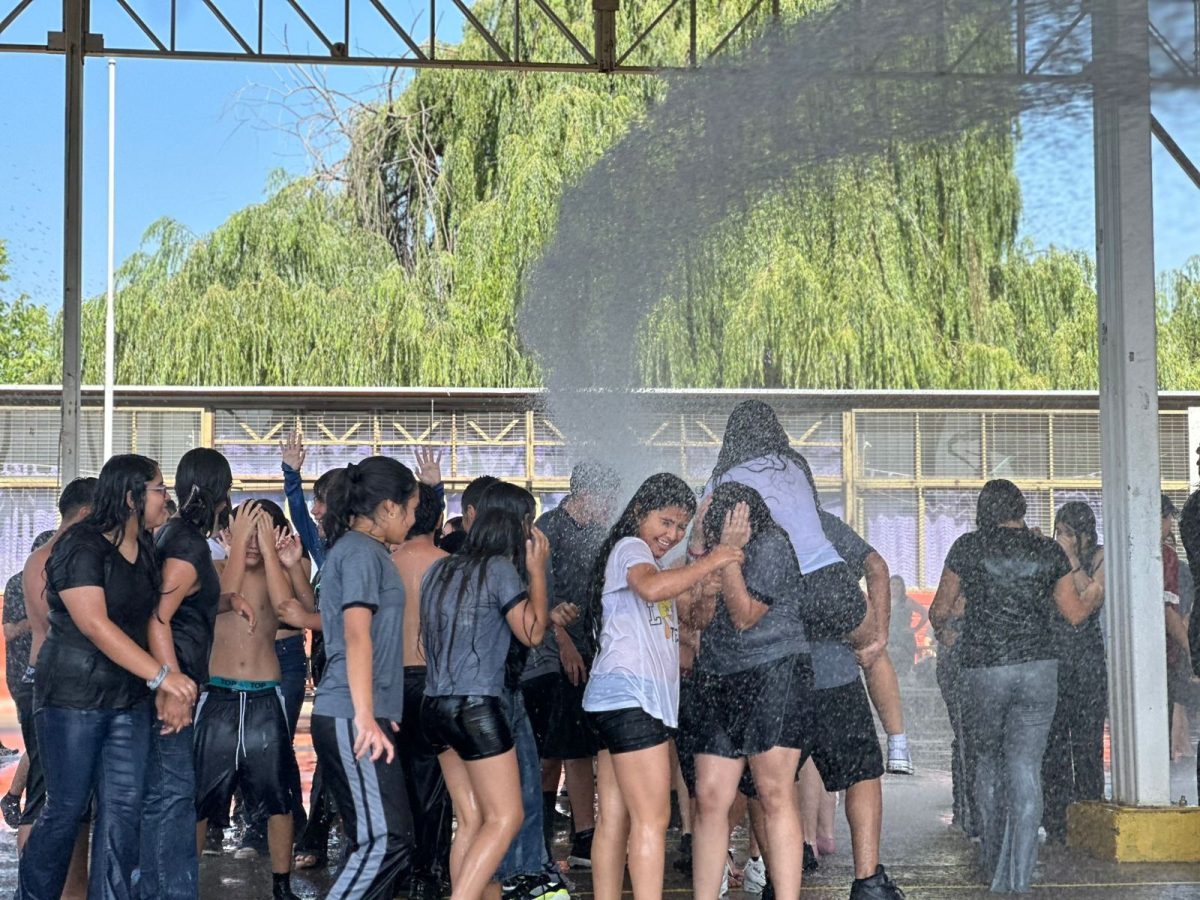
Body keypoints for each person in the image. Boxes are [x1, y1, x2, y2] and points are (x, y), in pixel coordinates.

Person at [18, 454, 198, 900]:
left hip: (127, 700)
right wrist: (162, 677)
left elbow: (154, 617)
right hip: (71, 698)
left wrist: (165, 684)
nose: (166, 498)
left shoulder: (147, 549)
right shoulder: (82, 545)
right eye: (159, 489)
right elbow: (95, 625)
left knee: (122, 811)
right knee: (66, 808)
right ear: (131, 497)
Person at [582, 473, 742, 900]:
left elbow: (693, 619)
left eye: (680, 526)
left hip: (614, 700)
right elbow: (651, 589)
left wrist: (704, 583)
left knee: (614, 820)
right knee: (652, 820)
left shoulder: (648, 561)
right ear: (640, 511)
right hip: (633, 701)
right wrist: (711, 561)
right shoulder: (632, 548)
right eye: (665, 522)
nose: (671, 534)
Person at [931, 479, 1089, 894]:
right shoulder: (1047, 550)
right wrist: (1098, 593)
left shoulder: (968, 547)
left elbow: (940, 610)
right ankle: (1018, 876)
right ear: (1021, 509)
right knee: (1025, 767)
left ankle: (991, 859)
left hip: (984, 669)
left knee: (987, 761)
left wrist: (954, 623)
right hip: (1038, 669)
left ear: (984, 511)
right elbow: (1074, 613)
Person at [681, 483, 815, 900]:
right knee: (709, 796)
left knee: (774, 792)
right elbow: (696, 618)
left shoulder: (772, 545)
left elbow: (743, 616)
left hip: (775, 673)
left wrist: (730, 555)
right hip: (718, 676)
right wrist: (703, 553)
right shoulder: (712, 548)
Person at [421, 500, 551, 900]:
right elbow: (532, 632)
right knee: (506, 817)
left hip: (434, 704)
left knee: (472, 819)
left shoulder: (439, 569)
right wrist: (537, 572)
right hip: (475, 707)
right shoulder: (498, 568)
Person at [140, 447, 248, 900]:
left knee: (166, 795)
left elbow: (184, 604)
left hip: (175, 680)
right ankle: (167, 892)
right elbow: (159, 617)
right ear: (219, 491)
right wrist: (170, 687)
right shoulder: (186, 543)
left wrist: (227, 602)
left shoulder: (177, 535)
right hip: (173, 687)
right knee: (173, 797)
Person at [311, 455, 420, 900]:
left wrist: (378, 708)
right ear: (389, 507)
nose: (412, 520)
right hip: (349, 713)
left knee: (386, 839)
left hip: (362, 711)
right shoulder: (358, 552)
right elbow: (356, 636)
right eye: (411, 509)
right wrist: (364, 715)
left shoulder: (368, 551)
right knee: (385, 841)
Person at [192, 500, 311, 900]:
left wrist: (279, 558)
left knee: (279, 798)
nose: (254, 543)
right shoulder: (215, 569)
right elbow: (220, 599)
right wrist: (237, 550)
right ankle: (185, 883)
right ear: (229, 534)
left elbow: (292, 610)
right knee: (200, 798)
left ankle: (282, 884)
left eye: (263, 533)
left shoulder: (288, 569)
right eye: (247, 532)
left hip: (264, 696)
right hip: (219, 697)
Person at [532, 462, 620, 870]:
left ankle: (585, 835)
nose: (611, 506)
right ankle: (542, 836)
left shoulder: (600, 532)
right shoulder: (548, 529)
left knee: (581, 744)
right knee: (554, 750)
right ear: (587, 495)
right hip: (555, 655)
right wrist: (563, 641)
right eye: (607, 498)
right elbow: (539, 595)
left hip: (592, 651)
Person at [17, 478, 98, 899]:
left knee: (53, 798)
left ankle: (52, 890)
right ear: (85, 513)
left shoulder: (38, 558)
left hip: (41, 681)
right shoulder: (60, 559)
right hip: (57, 686)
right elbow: (70, 628)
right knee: (58, 802)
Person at [392, 483, 453, 900]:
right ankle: (431, 871)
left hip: (392, 682)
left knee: (397, 781)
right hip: (436, 682)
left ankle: (401, 867)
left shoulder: (385, 564)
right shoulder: (450, 567)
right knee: (435, 781)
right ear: (438, 519)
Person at [1041, 501, 1108, 844]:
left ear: (1085, 535)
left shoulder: (1099, 557)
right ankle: (1056, 818)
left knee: (1087, 742)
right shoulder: (1050, 556)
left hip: (1087, 662)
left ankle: (1090, 811)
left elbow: (1091, 596)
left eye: (1068, 532)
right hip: (1054, 658)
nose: (1061, 538)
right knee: (1054, 744)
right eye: (1058, 531)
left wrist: (1070, 559)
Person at [2, 529, 54, 827]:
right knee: (39, 744)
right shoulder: (17, 583)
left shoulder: (58, 582)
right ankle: (16, 799)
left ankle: (18, 798)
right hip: (24, 675)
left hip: (49, 673)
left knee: (42, 742)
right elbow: (9, 631)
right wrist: (38, 620)